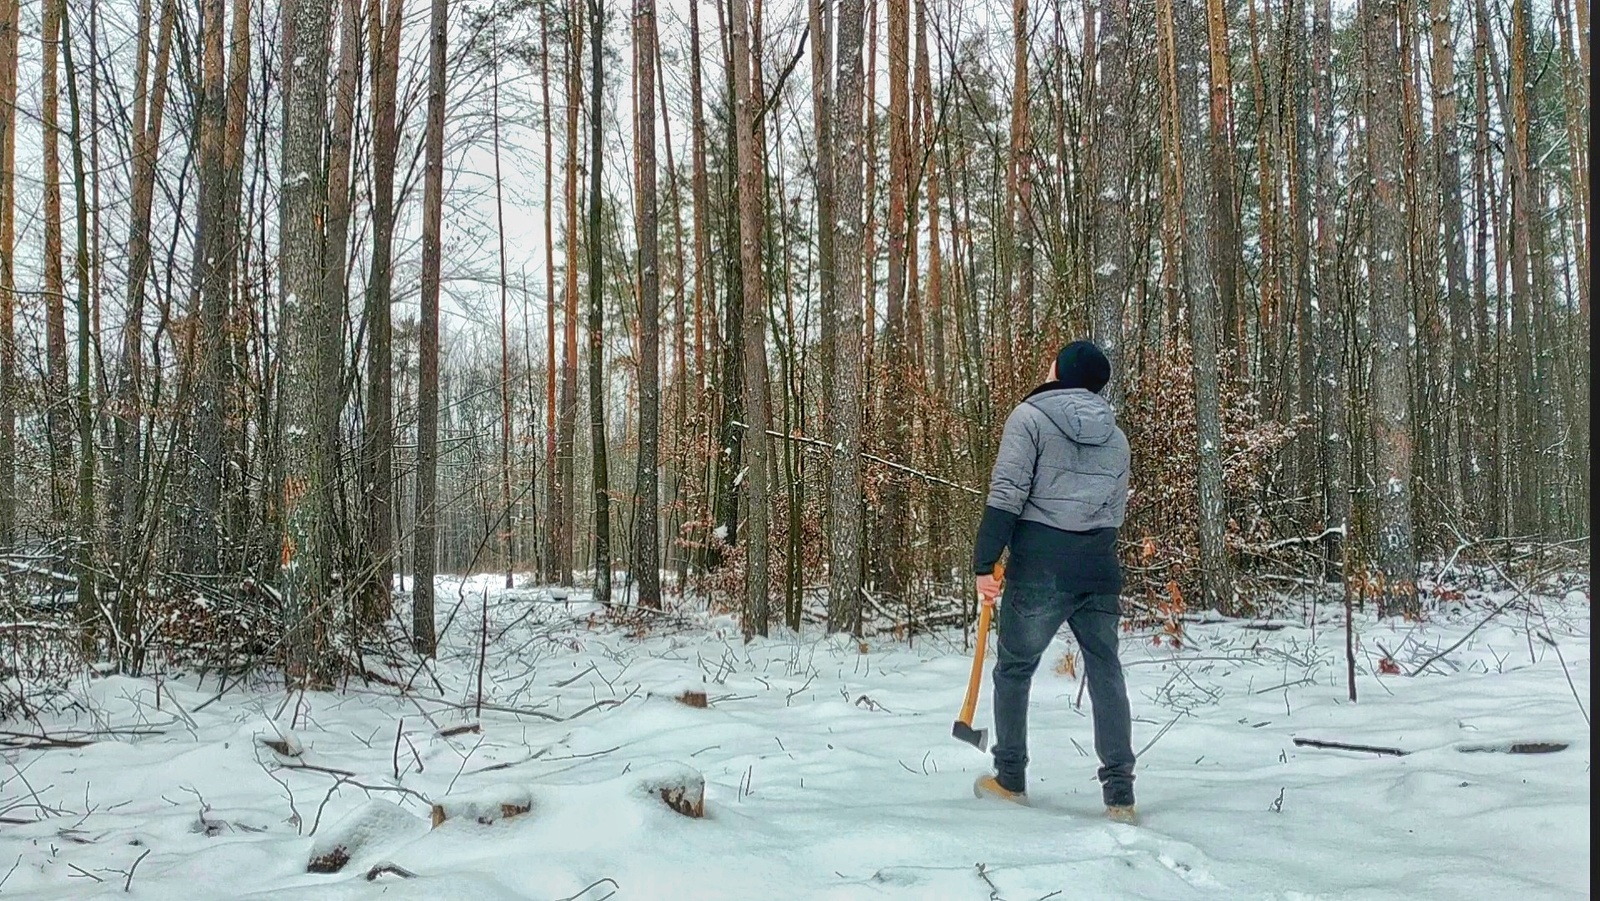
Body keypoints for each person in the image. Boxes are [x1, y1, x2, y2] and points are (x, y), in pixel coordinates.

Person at [970, 339, 1137, 823]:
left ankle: (1010, 778)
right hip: (1099, 568)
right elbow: (1114, 513)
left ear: (1061, 371)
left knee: (1015, 669)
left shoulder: (1029, 418)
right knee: (1106, 672)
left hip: (1041, 567)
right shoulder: (1117, 438)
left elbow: (1006, 494)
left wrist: (985, 563)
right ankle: (1120, 797)